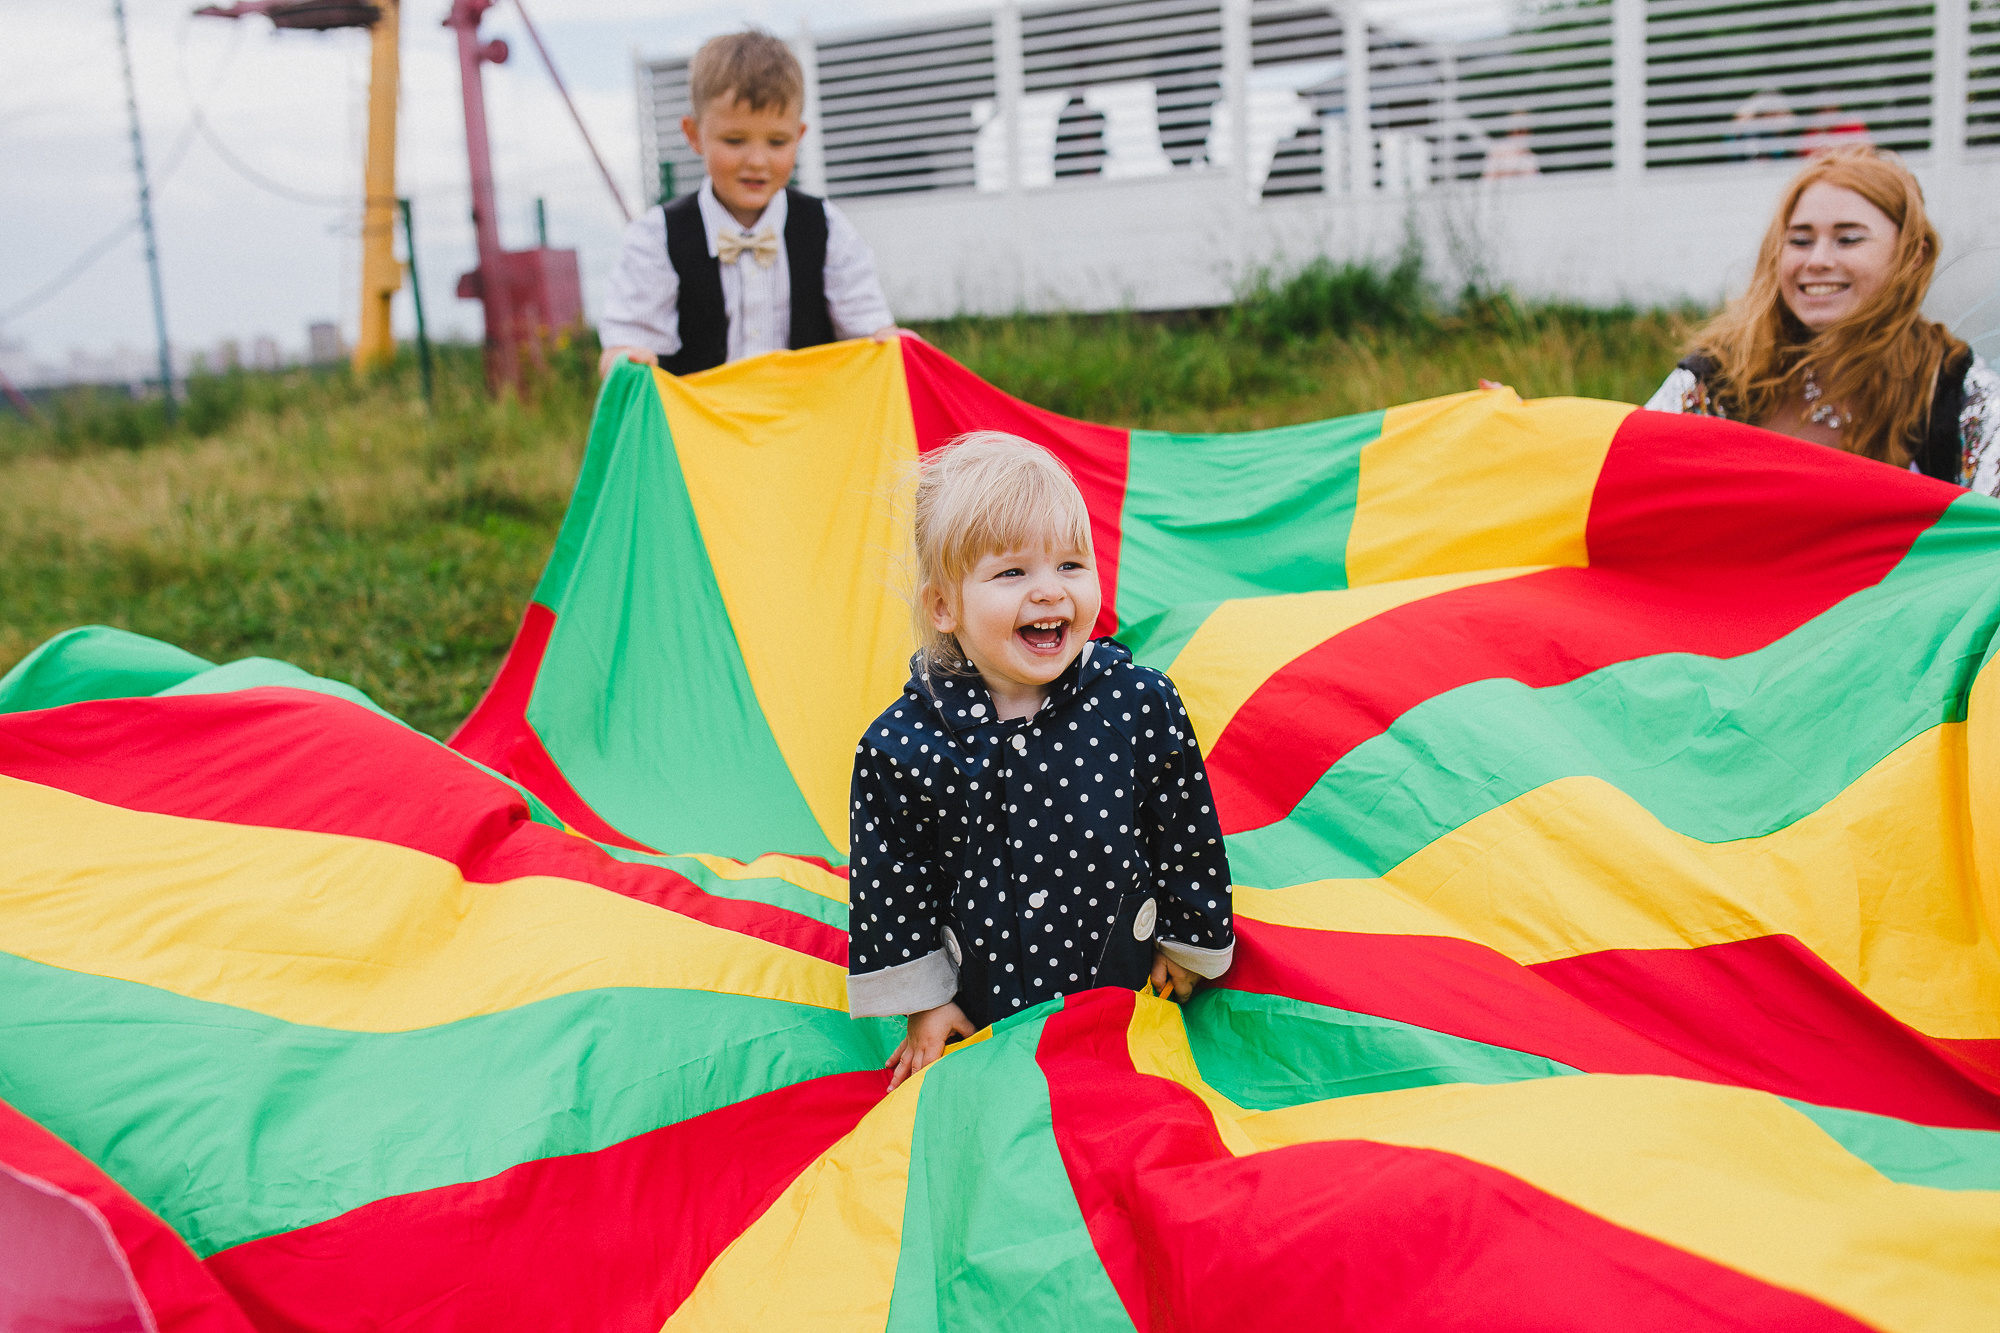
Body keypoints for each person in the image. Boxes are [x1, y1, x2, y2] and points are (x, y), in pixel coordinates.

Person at [847, 434, 1235, 1090]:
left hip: (1123, 997)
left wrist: (1187, 940)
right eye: (1013, 573)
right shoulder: (903, 748)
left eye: (1070, 564)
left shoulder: (1137, 703)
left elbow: (1185, 830)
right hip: (986, 1014)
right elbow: (894, 884)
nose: (1050, 591)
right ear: (944, 606)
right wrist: (926, 1004)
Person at [1646, 145, 1999, 492]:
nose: (1817, 261)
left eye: (1848, 239)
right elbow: (1636, 480)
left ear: (1913, 256)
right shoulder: (1717, 381)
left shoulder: (1958, 395)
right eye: (1800, 240)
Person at [597, 29, 906, 378]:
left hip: (805, 410)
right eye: (734, 140)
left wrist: (890, 341)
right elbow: (626, 344)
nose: (757, 161)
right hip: (698, 414)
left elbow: (870, 331)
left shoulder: (826, 227)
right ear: (694, 135)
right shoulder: (656, 238)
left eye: (777, 142)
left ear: (799, 137)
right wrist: (625, 358)